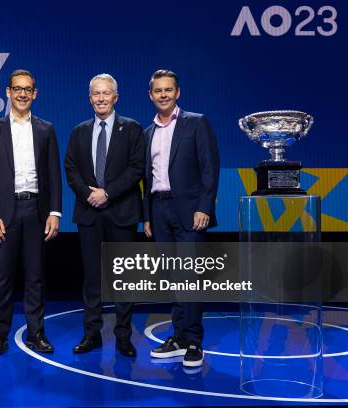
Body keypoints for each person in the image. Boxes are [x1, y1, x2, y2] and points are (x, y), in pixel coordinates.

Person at [0, 69, 62, 356]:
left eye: (28, 89)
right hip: (4, 214)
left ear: (35, 94)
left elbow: (53, 174)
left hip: (37, 211)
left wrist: (55, 212)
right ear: (8, 92)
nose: (23, 94)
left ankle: (36, 334)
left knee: (36, 276)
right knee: (2, 278)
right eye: (17, 89)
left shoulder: (46, 130)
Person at [143, 69, 220, 368]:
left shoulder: (196, 123)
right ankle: (177, 337)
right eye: (157, 91)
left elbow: (209, 169)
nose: (163, 95)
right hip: (159, 210)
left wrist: (205, 207)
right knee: (171, 278)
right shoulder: (147, 132)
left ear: (178, 93)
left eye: (168, 90)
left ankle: (194, 342)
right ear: (150, 95)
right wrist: (147, 216)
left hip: (189, 211)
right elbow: (145, 178)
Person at [64, 74, 144, 357]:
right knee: (92, 279)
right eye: (95, 94)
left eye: (105, 93)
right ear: (90, 98)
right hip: (89, 214)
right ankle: (92, 335)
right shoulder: (79, 131)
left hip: (121, 212)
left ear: (115, 97)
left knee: (123, 277)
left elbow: (137, 169)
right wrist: (89, 194)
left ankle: (123, 336)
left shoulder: (132, 129)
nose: (100, 98)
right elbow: (70, 168)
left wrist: (107, 192)